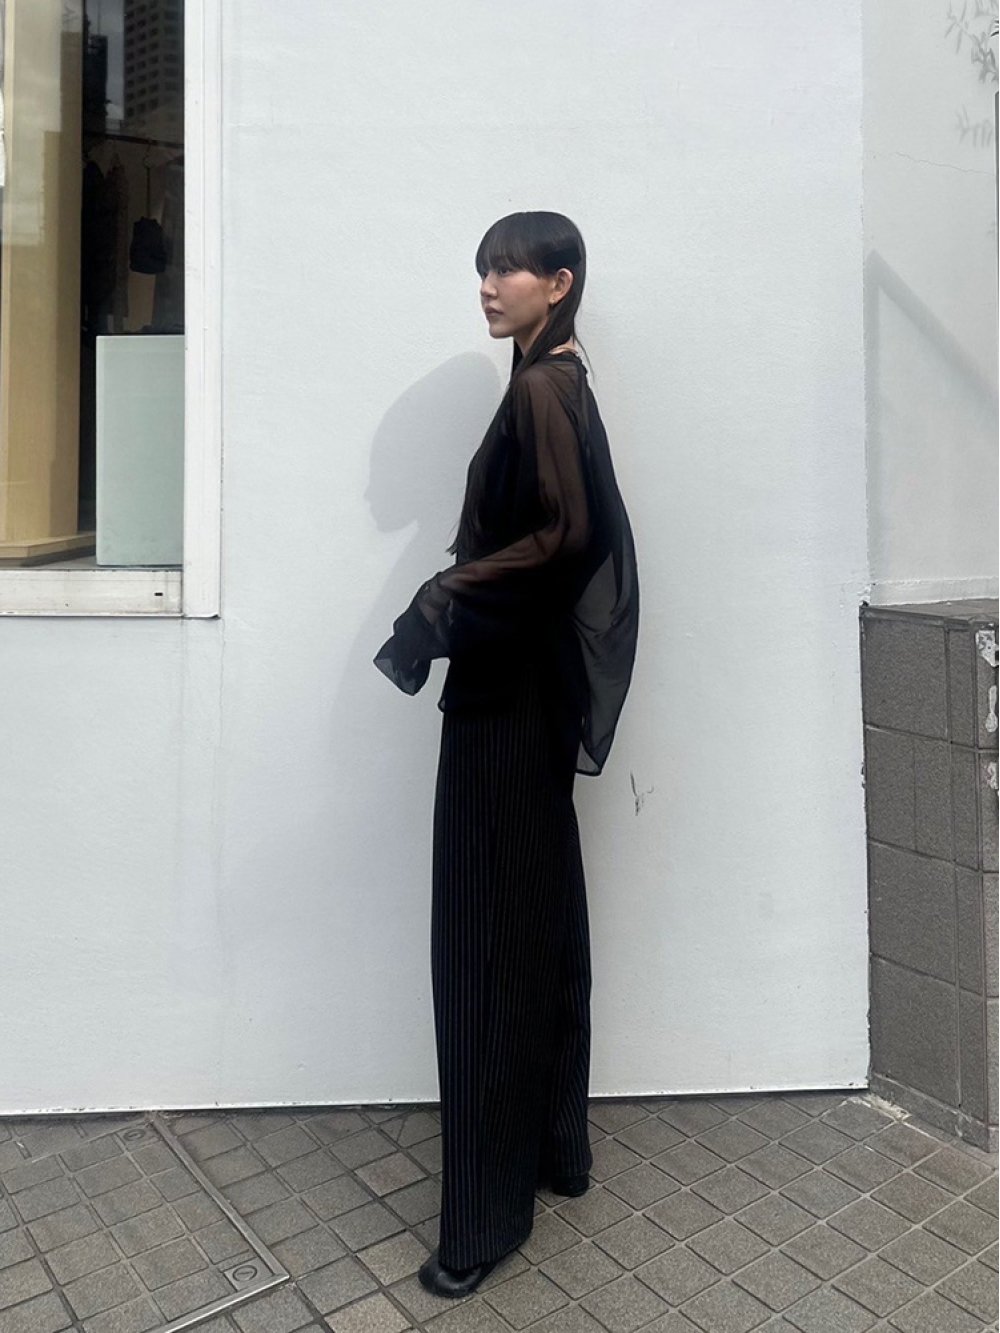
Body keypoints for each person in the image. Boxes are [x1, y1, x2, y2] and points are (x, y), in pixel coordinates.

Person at [373, 210, 639, 1298]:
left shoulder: (542, 387)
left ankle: (483, 1221)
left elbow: (569, 535)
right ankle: (551, 1151)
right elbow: (569, 534)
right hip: (530, 691)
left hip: (507, 697)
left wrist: (442, 596)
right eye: (483, 268)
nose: (487, 285)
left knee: (485, 936)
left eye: (509, 269)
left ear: (558, 282)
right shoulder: (554, 376)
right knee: (536, 917)